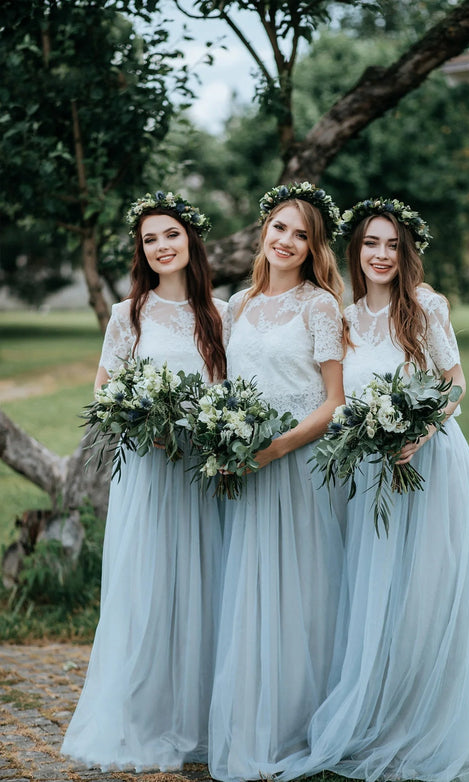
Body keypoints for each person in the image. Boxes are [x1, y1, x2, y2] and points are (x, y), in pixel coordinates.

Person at [282, 198, 469, 782]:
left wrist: (420, 430)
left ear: (406, 253)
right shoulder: (346, 318)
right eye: (371, 244)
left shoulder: (426, 307)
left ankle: (423, 717)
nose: (380, 255)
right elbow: (338, 398)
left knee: (421, 590)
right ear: (356, 250)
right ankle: (374, 709)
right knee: (374, 588)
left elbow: (455, 384)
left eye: (392, 245)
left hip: (428, 463)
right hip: (369, 472)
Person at [61, 191, 227, 772]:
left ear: (191, 241)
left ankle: (204, 717)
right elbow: (105, 394)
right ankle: (144, 718)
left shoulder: (221, 314)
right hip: (152, 475)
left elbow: (233, 392)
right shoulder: (127, 314)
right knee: (149, 587)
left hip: (204, 476)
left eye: (171, 235)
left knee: (205, 587)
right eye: (150, 239)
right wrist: (143, 420)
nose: (161, 247)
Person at [208, 182, 347, 782]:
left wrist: (276, 448)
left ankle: (301, 724)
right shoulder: (236, 304)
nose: (287, 241)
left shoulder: (319, 306)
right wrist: (227, 440)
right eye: (280, 228)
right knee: (251, 591)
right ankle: (251, 722)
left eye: (302, 234)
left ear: (314, 247)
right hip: (247, 468)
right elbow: (223, 387)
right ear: (263, 229)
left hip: (299, 469)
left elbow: (334, 403)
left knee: (304, 593)